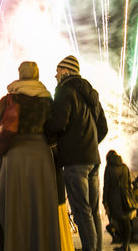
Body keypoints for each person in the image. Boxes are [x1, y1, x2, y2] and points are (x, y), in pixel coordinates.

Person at [0, 61, 60, 251]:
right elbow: (53, 130)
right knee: (42, 205)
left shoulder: (8, 99)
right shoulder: (47, 99)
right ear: (37, 75)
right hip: (40, 155)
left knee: (14, 207)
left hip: (14, 156)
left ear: (20, 74)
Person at [47, 55, 108, 251]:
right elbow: (103, 127)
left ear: (66, 71)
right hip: (93, 160)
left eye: (58, 70)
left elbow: (58, 123)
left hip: (75, 162)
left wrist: (46, 135)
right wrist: (90, 144)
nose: (55, 74)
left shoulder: (65, 91)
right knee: (93, 212)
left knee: (82, 212)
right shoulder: (91, 94)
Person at [103, 150, 133, 251]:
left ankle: (124, 246)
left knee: (120, 222)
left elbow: (106, 186)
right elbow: (129, 182)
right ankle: (126, 245)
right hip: (126, 196)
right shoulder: (125, 167)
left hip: (114, 197)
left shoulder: (109, 168)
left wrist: (105, 201)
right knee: (126, 221)